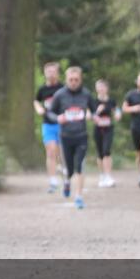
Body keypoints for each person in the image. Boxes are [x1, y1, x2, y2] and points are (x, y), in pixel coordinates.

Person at [47, 66, 98, 209]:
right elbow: (49, 113)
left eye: (76, 80)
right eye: (71, 80)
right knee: (68, 169)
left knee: (79, 165)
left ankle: (79, 196)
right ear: (66, 80)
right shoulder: (59, 94)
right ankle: (67, 181)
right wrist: (58, 118)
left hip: (81, 136)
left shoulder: (87, 94)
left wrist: (93, 116)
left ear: (80, 80)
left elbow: (95, 111)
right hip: (65, 136)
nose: (74, 82)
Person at [34, 62, 64, 193]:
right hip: (48, 124)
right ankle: (53, 181)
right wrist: (39, 108)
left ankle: (65, 175)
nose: (51, 73)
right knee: (51, 151)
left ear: (57, 73)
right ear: (45, 73)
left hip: (63, 124)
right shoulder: (42, 90)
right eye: (48, 71)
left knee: (61, 153)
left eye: (53, 71)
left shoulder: (63, 88)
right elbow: (36, 100)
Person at [122, 71, 140, 187]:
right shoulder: (131, 95)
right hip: (135, 127)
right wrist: (136, 108)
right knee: (139, 154)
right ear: (137, 82)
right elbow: (124, 108)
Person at [92, 79, 121, 188]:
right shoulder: (93, 101)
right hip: (98, 129)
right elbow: (89, 115)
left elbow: (117, 110)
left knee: (106, 151)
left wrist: (118, 114)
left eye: (102, 87)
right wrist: (97, 112)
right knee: (100, 153)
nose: (100, 89)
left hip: (108, 129)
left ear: (106, 88)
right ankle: (102, 175)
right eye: (98, 87)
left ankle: (108, 176)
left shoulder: (111, 101)